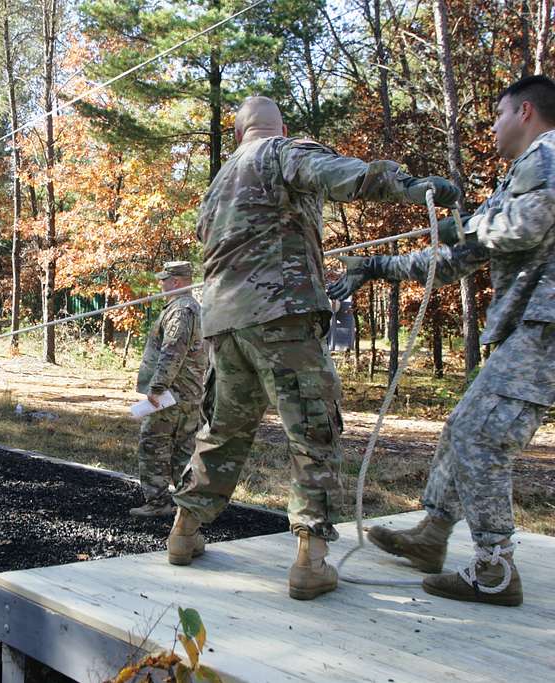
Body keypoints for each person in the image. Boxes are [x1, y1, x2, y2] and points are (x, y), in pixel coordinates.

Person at [167, 95, 460, 601]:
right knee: (312, 432)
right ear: (276, 128)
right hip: (282, 317)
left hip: (224, 326)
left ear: (238, 135)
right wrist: (410, 185)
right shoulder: (281, 152)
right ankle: (311, 560)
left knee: (224, 432)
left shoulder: (215, 187)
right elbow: (338, 174)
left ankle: (184, 532)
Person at [328, 75, 555, 607]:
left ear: (524, 111)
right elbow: (457, 259)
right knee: (463, 428)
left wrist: (464, 229)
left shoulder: (550, 157)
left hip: (545, 330)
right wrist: (379, 265)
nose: (493, 127)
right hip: (532, 328)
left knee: (482, 439)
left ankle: (494, 568)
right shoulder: (523, 176)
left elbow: (524, 226)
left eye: (498, 115)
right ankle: (432, 536)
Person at [131, 261, 207, 518]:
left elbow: (173, 350)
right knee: (184, 450)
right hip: (188, 393)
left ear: (176, 282)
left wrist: (157, 387)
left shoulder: (180, 310)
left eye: (164, 279)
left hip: (172, 395)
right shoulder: (192, 308)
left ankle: (158, 502)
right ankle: (189, 508)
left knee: (154, 445)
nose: (160, 284)